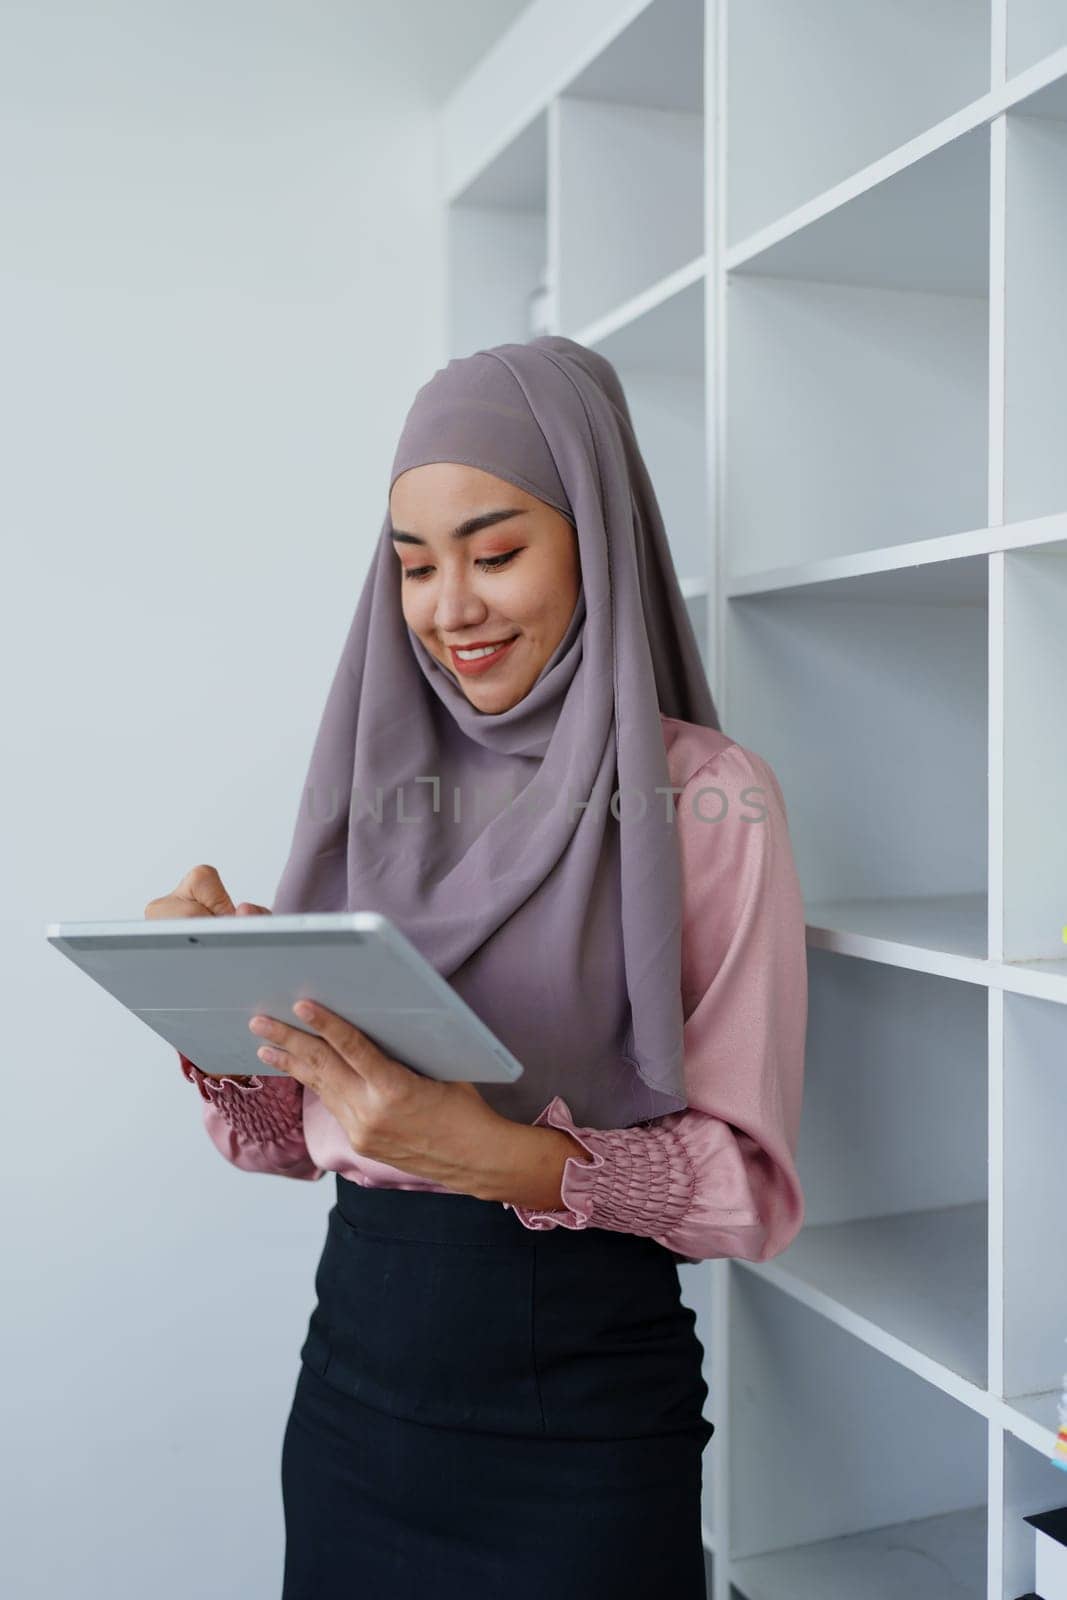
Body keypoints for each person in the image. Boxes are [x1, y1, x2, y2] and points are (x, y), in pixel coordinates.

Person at [147, 335, 807, 1598]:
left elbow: (748, 1190)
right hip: (351, 1390)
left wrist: (489, 1149)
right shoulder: (372, 785)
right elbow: (292, 1140)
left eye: (494, 552)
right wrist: (215, 1009)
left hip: (582, 1412)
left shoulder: (706, 799)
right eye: (413, 567)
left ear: (593, 539)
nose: (449, 606)